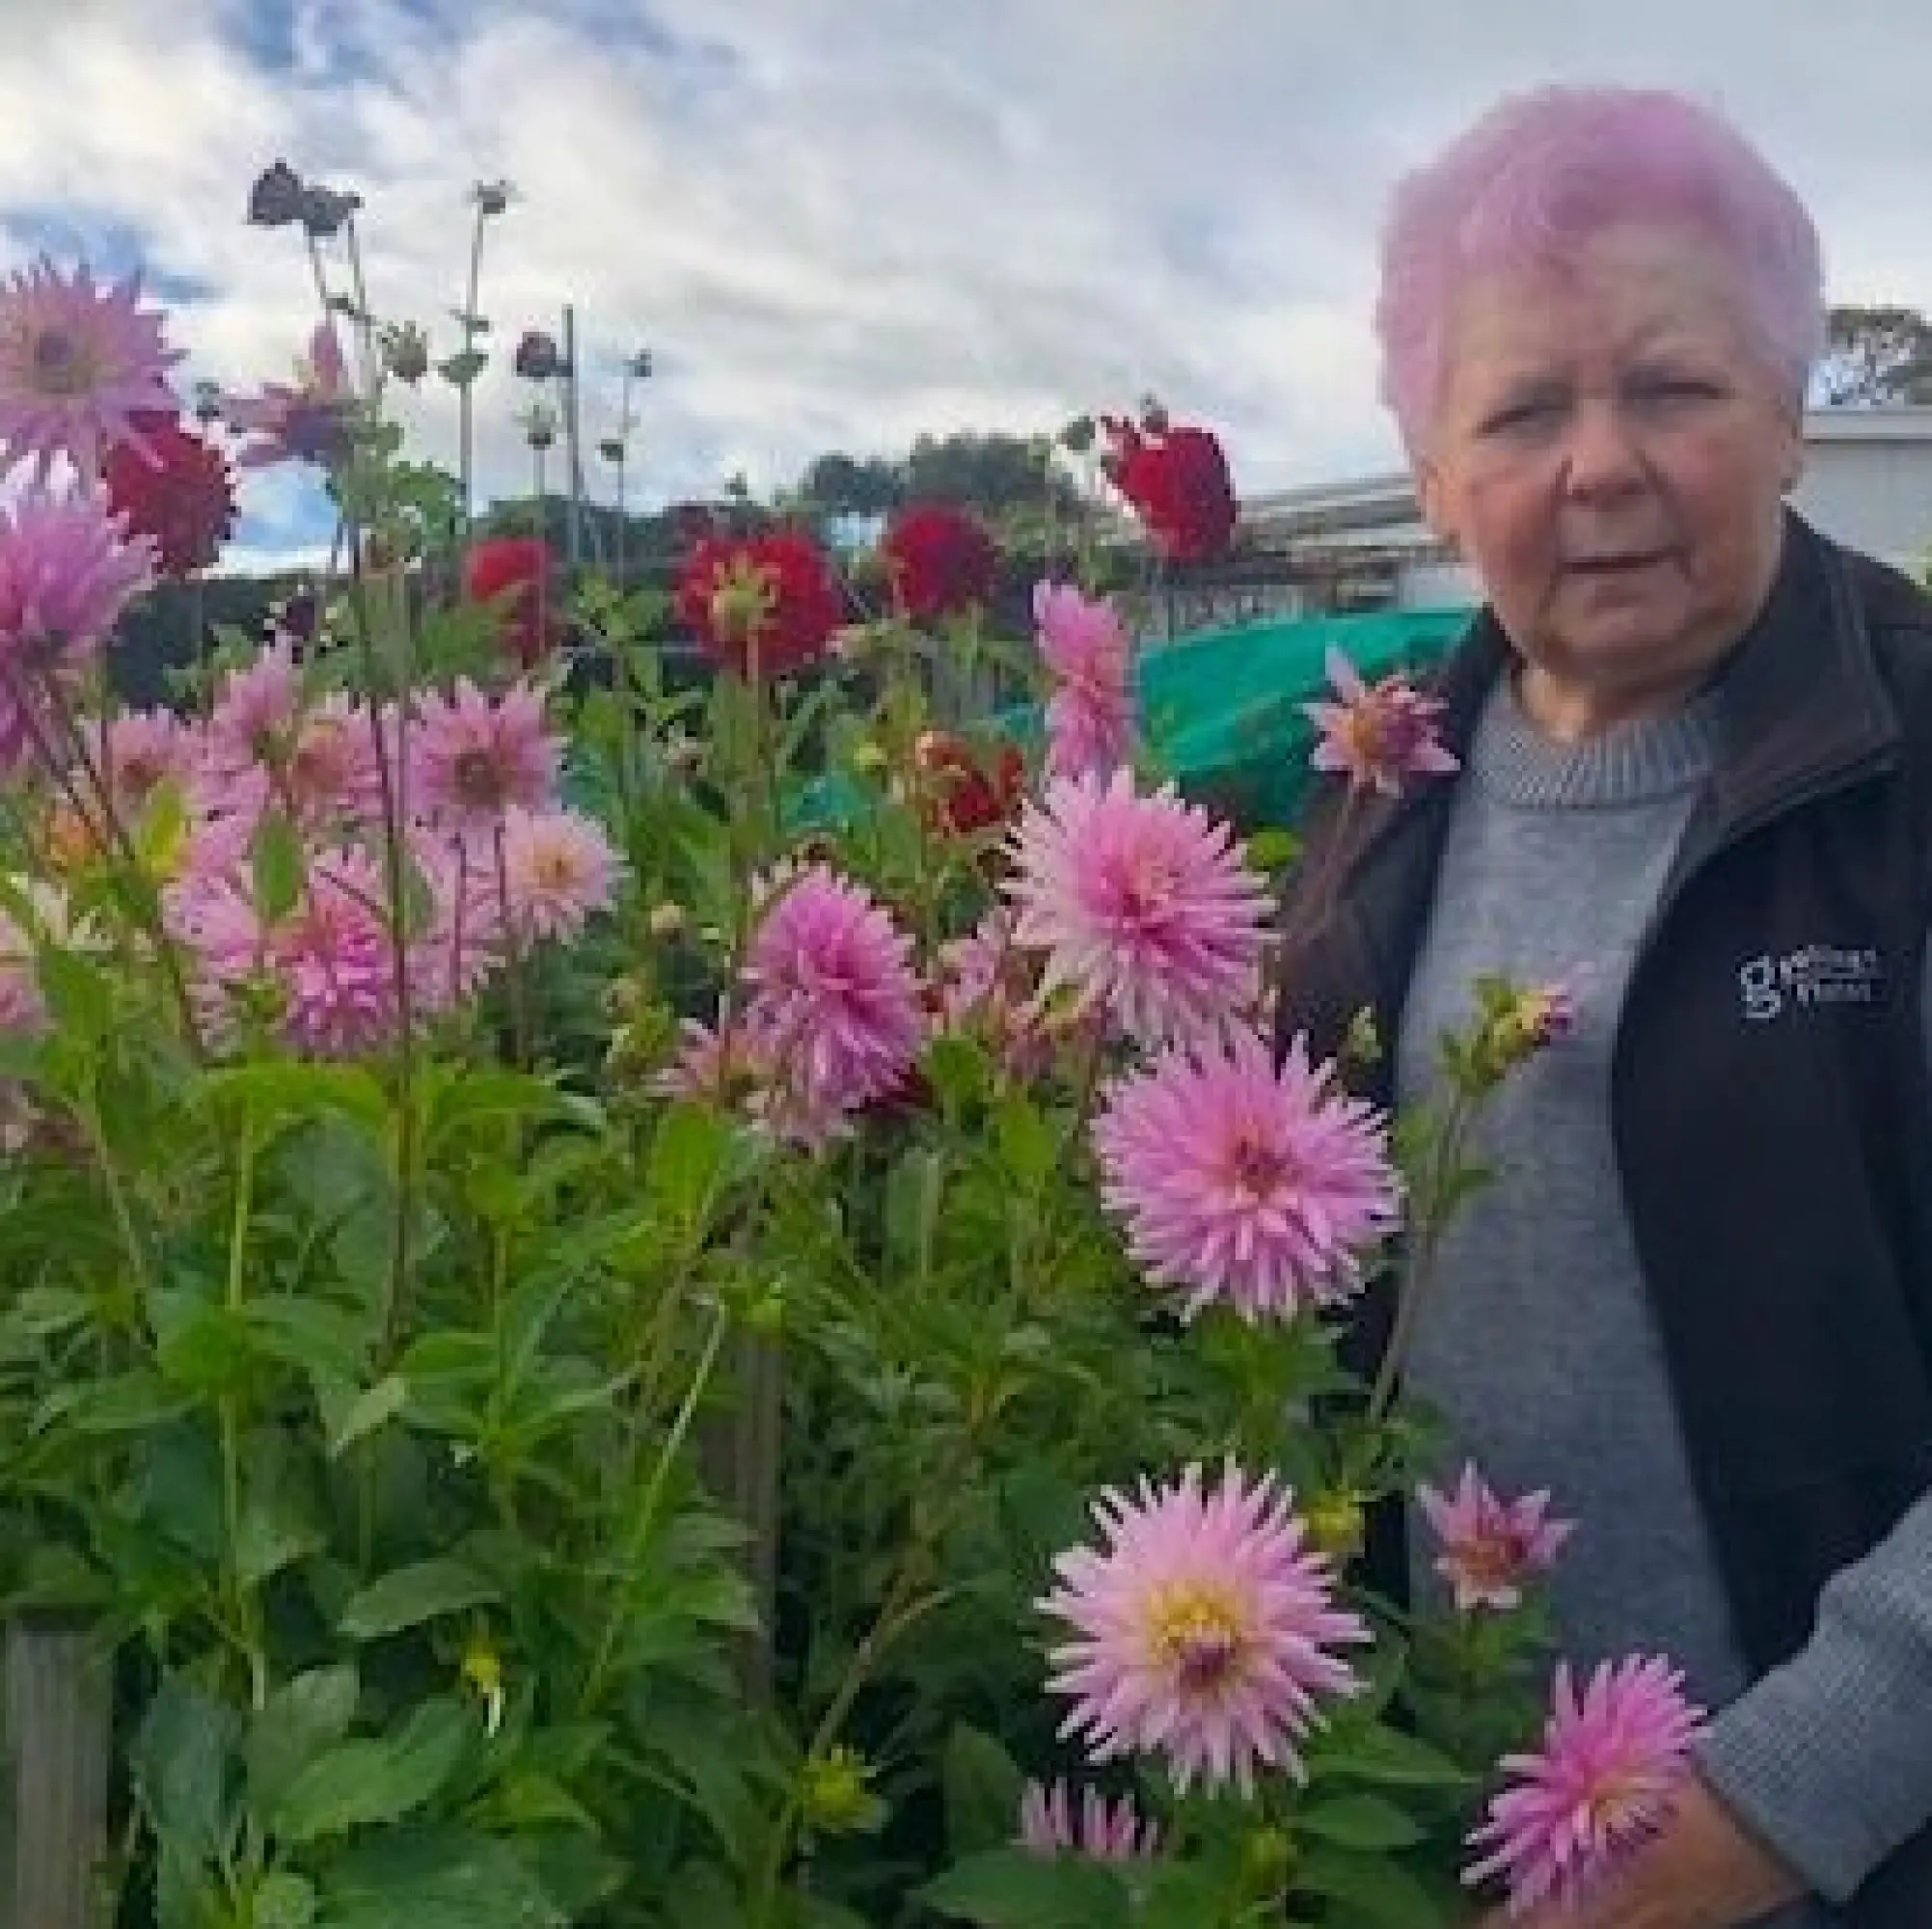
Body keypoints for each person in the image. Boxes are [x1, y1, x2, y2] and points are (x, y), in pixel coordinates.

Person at [1272, 85, 1932, 1929]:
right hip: (1428, 1835)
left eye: (1671, 386)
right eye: (1521, 409)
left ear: (1790, 417)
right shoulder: (1371, 800)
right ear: (1430, 478)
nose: (1600, 465)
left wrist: (1756, 1825)